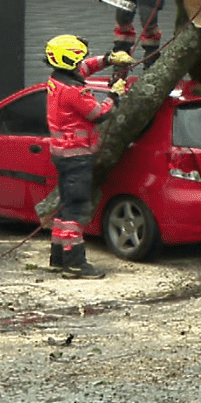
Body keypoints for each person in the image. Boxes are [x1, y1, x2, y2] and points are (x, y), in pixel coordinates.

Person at [44, 35, 136, 278]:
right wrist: (114, 94)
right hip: (77, 156)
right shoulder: (73, 90)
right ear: (69, 59)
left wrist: (108, 59)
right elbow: (99, 113)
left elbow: (86, 67)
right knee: (78, 209)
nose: (82, 62)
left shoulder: (59, 78)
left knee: (66, 207)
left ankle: (59, 256)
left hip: (63, 153)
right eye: (79, 57)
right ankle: (75, 264)